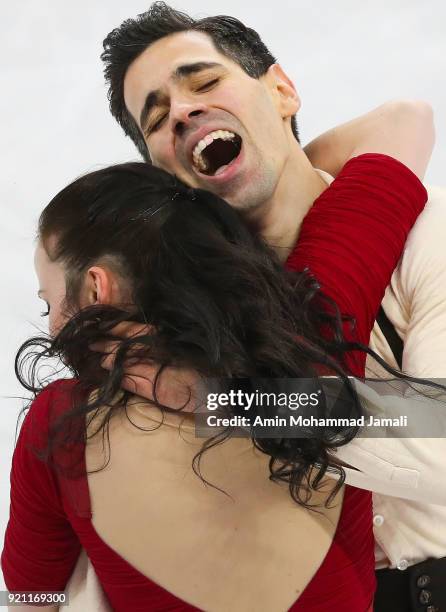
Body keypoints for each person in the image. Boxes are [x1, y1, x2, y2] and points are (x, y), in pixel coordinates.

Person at [100, 4, 446, 609]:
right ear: (161, 170)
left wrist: (226, 399)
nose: (182, 111)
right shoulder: (187, 319)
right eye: (156, 119)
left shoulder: (430, 229)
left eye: (205, 82)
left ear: (282, 90)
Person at [1, 151, 428, 611]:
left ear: (95, 288)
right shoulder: (315, 336)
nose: (52, 328)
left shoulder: (61, 423)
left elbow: (30, 597)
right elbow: (406, 125)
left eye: (51, 303)